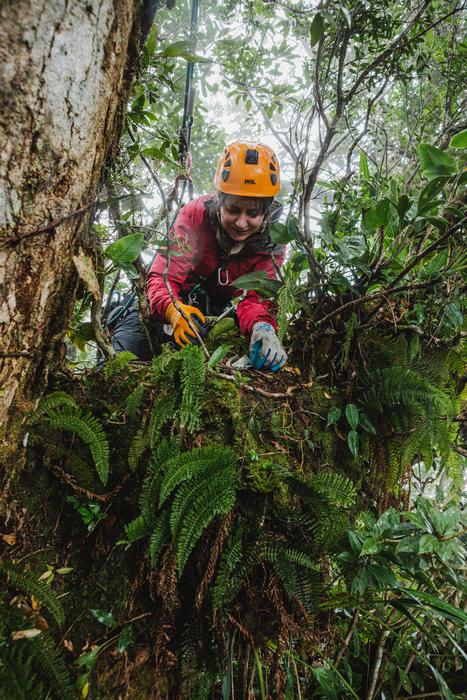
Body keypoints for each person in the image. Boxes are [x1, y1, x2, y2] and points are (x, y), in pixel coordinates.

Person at [146, 140, 287, 372]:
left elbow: (257, 300)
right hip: (177, 303)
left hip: (216, 313)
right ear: (220, 200)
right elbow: (162, 275)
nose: (241, 223)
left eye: (252, 213)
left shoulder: (272, 244)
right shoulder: (192, 215)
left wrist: (262, 327)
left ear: (267, 210)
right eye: (232, 210)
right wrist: (173, 310)